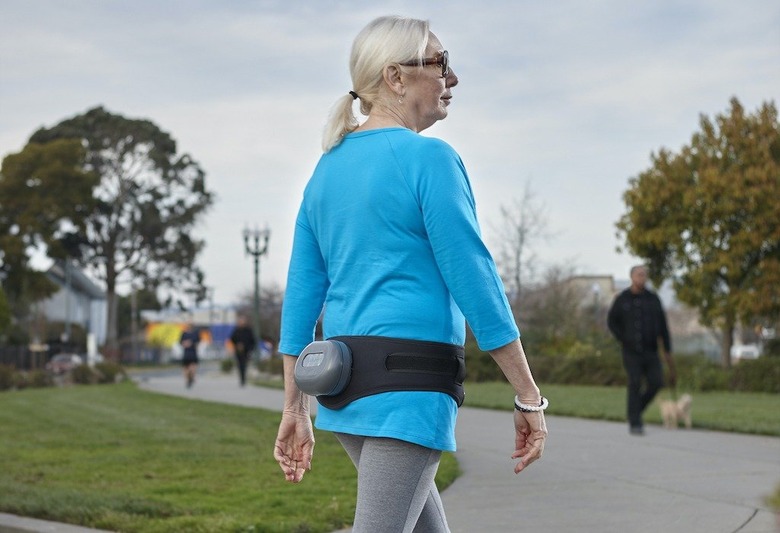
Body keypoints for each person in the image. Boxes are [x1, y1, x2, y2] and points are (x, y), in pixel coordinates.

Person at [273, 15, 547, 532]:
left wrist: (296, 406)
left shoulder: (326, 169)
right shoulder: (430, 159)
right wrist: (529, 396)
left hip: (343, 387)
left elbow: (302, 296)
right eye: (441, 63)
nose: (453, 78)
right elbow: (475, 281)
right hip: (410, 388)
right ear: (396, 77)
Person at [607, 265, 676, 435]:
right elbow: (612, 321)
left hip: (651, 351)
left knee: (656, 382)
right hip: (631, 351)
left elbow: (663, 326)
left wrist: (667, 350)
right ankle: (635, 422)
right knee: (635, 382)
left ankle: (635, 411)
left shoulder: (653, 299)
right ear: (632, 277)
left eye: (644, 275)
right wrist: (623, 338)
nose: (642, 278)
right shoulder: (623, 299)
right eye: (639, 275)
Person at [230, 315, 256, 387]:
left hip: (246, 351)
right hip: (238, 351)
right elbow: (232, 339)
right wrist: (237, 345)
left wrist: (250, 349)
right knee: (240, 365)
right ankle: (242, 379)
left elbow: (253, 341)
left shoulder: (249, 330)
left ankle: (244, 379)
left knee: (244, 365)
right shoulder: (236, 330)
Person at [179, 321, 199, 388]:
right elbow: (181, 342)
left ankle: (189, 379)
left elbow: (196, 342)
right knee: (188, 367)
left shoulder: (192, 334)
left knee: (190, 367)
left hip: (191, 352)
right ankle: (189, 379)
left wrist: (187, 343)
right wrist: (187, 343)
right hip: (188, 353)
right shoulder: (186, 334)